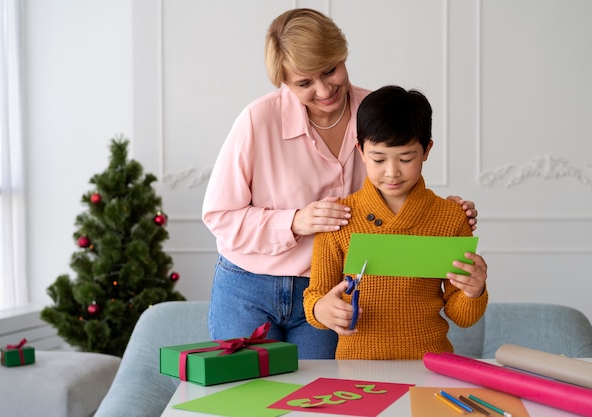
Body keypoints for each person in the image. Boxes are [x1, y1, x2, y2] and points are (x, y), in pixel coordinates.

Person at [201, 8, 478, 359]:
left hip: (333, 289)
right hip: (249, 286)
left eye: (330, 70)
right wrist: (294, 221)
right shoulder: (258, 120)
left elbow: (397, 183)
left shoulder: (374, 110)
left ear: (342, 55)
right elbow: (219, 216)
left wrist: (445, 210)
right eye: (304, 83)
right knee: (247, 401)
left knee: (319, 402)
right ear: (284, 82)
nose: (323, 89)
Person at [303, 86, 488, 360]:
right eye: (378, 159)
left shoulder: (450, 218)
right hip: (357, 369)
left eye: (406, 158)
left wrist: (475, 291)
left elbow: (460, 316)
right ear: (361, 150)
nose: (392, 172)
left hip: (430, 365)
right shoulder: (340, 219)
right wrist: (322, 309)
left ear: (427, 150)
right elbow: (314, 296)